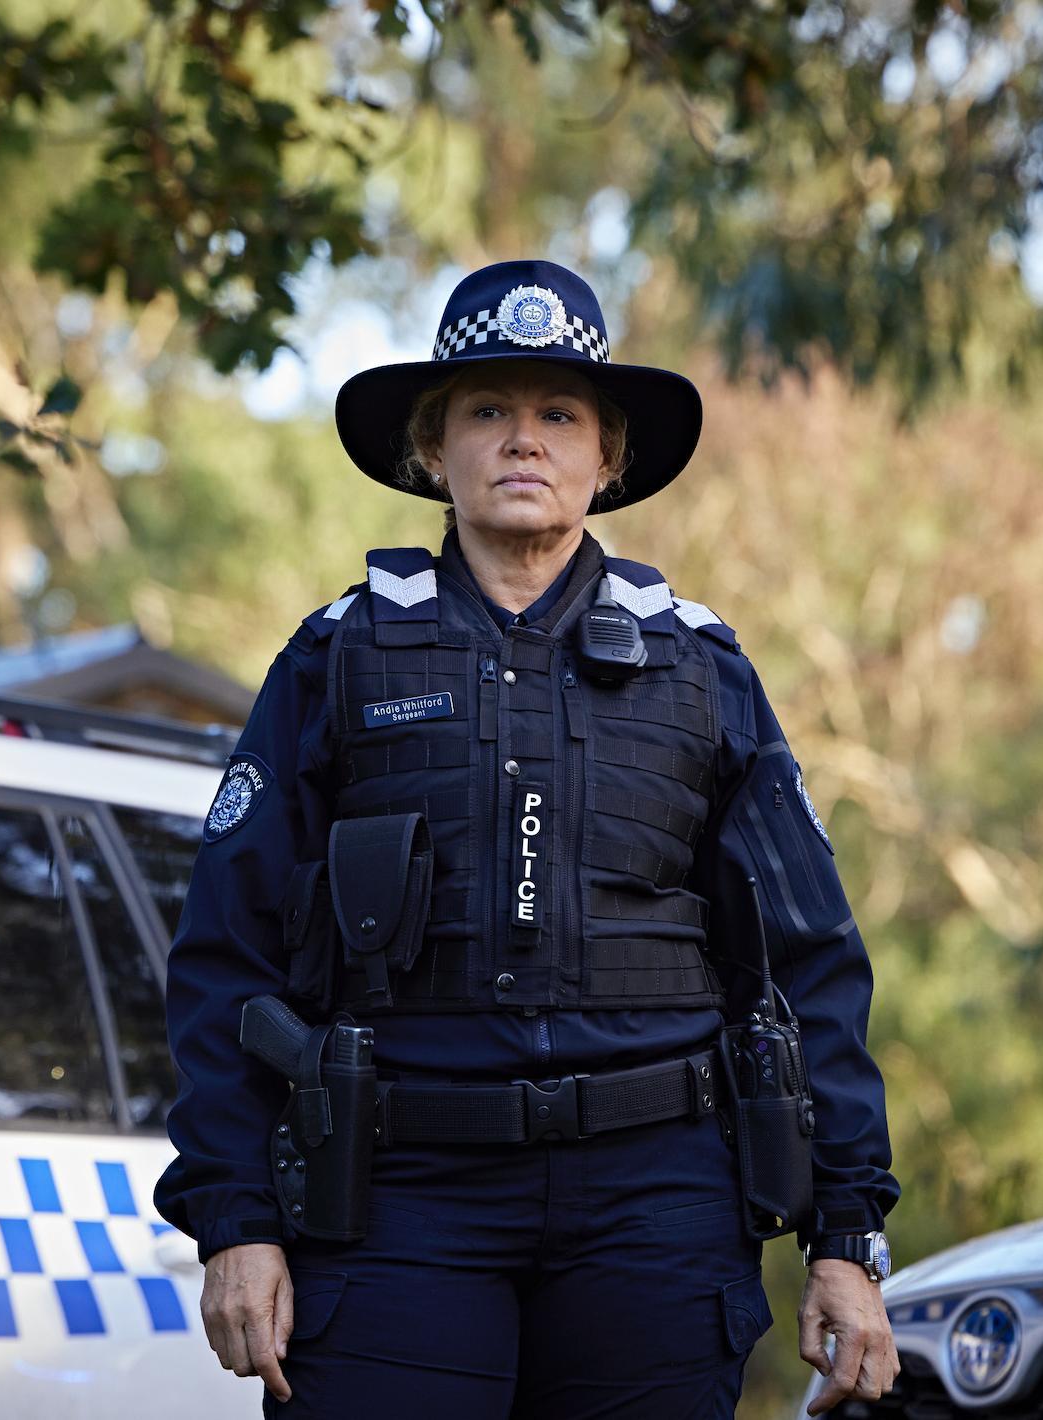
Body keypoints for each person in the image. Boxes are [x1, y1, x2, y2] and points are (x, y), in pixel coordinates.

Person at [154, 259, 900, 1418]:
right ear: (432, 449)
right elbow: (224, 953)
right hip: (396, 1201)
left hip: (654, 1205)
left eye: (560, 414)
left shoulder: (702, 666)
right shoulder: (336, 657)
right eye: (487, 411)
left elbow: (812, 961)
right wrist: (235, 1217)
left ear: (608, 458)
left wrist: (846, 1236)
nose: (523, 440)